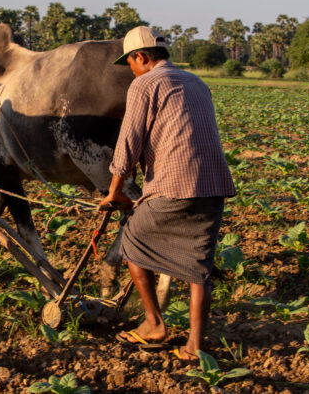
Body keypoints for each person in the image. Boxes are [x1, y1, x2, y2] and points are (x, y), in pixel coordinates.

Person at [99, 25, 236, 363]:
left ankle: (153, 323)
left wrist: (114, 191)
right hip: (213, 185)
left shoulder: (144, 83)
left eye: (129, 63)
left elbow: (128, 141)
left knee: (131, 242)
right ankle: (194, 347)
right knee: (198, 266)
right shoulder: (197, 82)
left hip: (174, 185)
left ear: (140, 57)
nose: (130, 70)